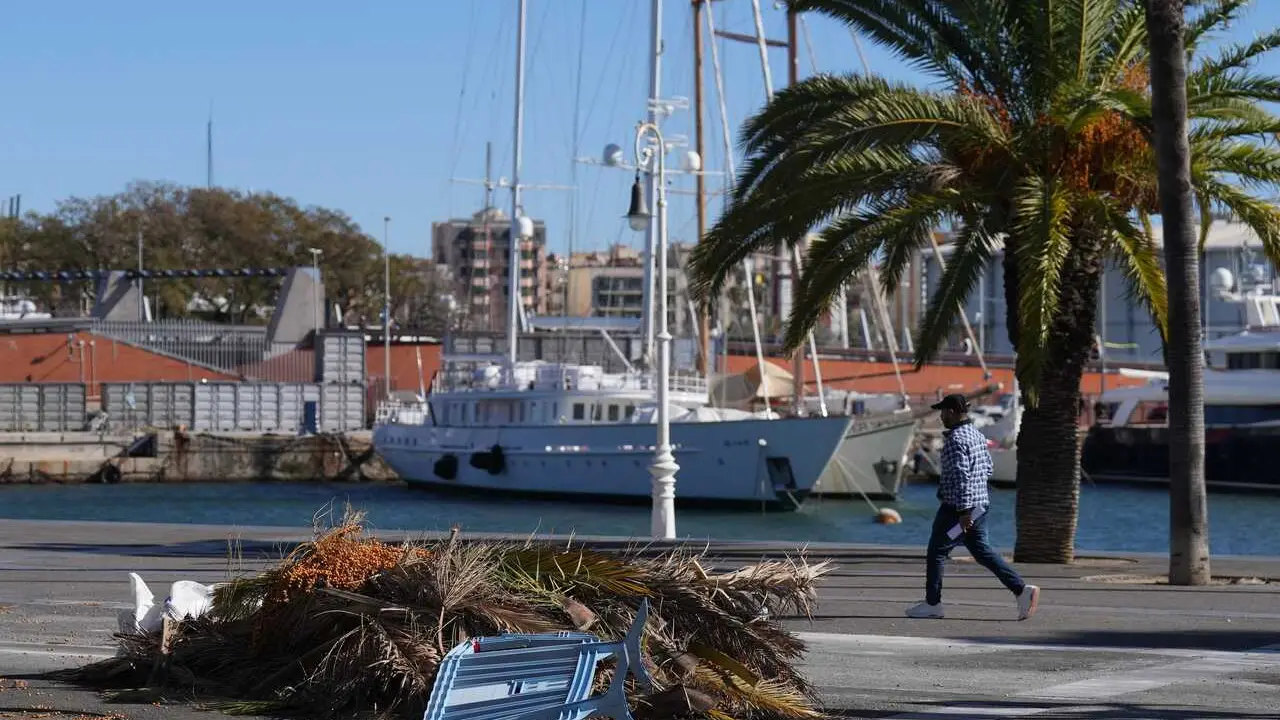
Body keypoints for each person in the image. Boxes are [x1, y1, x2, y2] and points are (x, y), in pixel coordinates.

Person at [906, 393, 1040, 621]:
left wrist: (963, 512)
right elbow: (988, 468)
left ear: (952, 411)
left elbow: (961, 477)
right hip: (980, 505)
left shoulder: (956, 440)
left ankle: (933, 603)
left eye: (943, 412)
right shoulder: (977, 435)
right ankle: (1021, 590)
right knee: (981, 551)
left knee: (937, 551)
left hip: (957, 510)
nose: (941, 416)